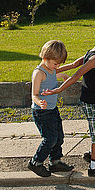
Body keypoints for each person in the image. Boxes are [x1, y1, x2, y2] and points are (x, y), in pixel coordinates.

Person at [45, 27, 95, 177]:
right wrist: (58, 89)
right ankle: (94, 167)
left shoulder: (91, 53)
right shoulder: (94, 58)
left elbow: (74, 64)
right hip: (93, 102)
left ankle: (91, 154)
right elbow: (77, 74)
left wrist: (55, 70)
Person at [27, 40, 75, 177]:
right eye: (55, 63)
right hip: (41, 112)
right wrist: (40, 102)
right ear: (45, 58)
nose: (58, 66)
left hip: (52, 109)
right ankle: (35, 162)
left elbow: (54, 75)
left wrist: (63, 76)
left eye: (59, 63)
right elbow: (34, 95)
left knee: (59, 136)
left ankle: (55, 162)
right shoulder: (39, 73)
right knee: (50, 138)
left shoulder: (51, 69)